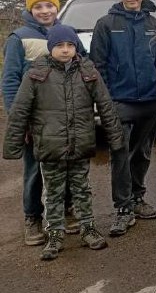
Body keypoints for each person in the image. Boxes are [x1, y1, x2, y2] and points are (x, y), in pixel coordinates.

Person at [3, 25, 124, 261]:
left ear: (76, 47)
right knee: (53, 193)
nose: (65, 50)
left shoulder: (88, 71)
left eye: (70, 45)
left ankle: (88, 227)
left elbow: (106, 106)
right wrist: (13, 146)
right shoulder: (36, 74)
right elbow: (20, 110)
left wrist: (115, 138)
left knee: (82, 189)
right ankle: (55, 233)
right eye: (60, 45)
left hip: (80, 143)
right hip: (50, 145)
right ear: (51, 48)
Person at [2, 0, 84, 246]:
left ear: (56, 6)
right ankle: (33, 217)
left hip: (66, 116)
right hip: (36, 120)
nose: (45, 11)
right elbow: (10, 81)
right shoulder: (19, 38)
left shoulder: (67, 33)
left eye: (48, 5)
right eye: (38, 6)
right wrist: (19, 119)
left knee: (68, 165)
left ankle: (67, 212)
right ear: (30, 9)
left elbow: (84, 65)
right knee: (34, 170)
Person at [90, 0, 156, 236]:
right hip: (119, 101)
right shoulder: (106, 24)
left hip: (150, 100)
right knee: (120, 154)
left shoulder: (154, 24)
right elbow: (98, 66)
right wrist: (106, 100)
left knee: (142, 153)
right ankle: (122, 208)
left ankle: (137, 198)